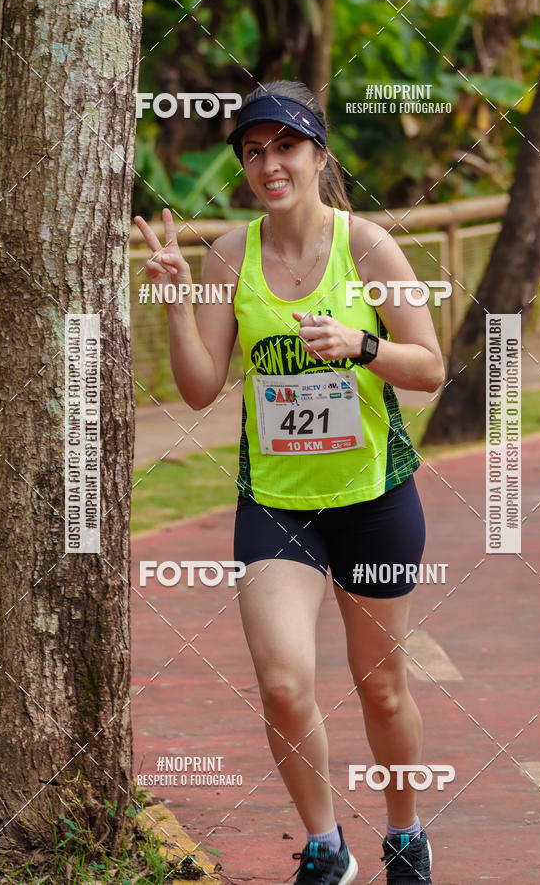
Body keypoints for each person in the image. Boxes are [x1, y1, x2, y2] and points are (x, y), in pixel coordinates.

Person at [134, 79, 444, 885]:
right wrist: (175, 304)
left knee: (380, 690)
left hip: (376, 499)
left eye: (286, 146)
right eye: (254, 151)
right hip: (276, 504)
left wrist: (361, 345)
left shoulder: (368, 246)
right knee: (280, 681)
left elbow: (431, 367)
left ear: (318, 154)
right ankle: (324, 846)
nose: (270, 163)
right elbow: (201, 389)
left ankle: (407, 835)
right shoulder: (229, 256)